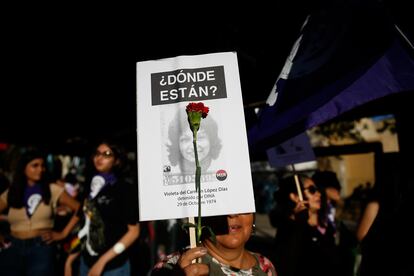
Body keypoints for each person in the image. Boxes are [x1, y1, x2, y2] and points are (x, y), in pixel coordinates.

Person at [0, 148, 80, 276]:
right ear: (23, 168)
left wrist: (63, 234)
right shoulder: (13, 191)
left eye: (42, 166)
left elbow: (80, 208)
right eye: (35, 165)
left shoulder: (52, 189)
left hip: (41, 248)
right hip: (12, 248)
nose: (40, 169)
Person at [65, 140, 140, 276]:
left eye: (107, 154)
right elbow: (85, 224)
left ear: (117, 161)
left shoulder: (123, 188)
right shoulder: (91, 185)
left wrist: (102, 262)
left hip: (112, 267)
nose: (99, 158)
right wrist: (69, 260)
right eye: (97, 153)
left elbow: (134, 232)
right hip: (85, 262)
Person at [151, 213, 277, 275]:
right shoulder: (171, 269)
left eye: (241, 205)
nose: (232, 214)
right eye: (220, 207)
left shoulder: (265, 265)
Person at [270, 174, 342, 276]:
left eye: (317, 189)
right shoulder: (289, 228)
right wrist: (298, 222)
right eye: (312, 190)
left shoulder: (326, 225)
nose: (319, 194)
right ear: (295, 196)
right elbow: (286, 265)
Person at [166, 107, 222, 176]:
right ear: (177, 144)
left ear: (211, 139)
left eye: (200, 137)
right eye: (185, 140)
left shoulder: (221, 167)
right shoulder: (169, 172)